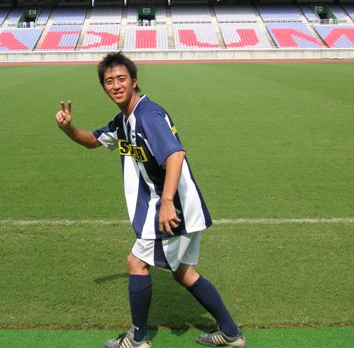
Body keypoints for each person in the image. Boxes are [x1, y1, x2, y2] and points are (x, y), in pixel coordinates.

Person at [55, 52, 246, 348]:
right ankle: (231, 333)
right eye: (109, 81)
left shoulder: (147, 115)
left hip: (171, 209)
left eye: (122, 79)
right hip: (180, 207)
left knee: (136, 262)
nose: (116, 85)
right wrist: (68, 128)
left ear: (134, 81)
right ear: (104, 87)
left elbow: (175, 155)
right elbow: (92, 140)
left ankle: (138, 339)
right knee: (184, 273)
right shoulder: (124, 121)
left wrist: (167, 202)